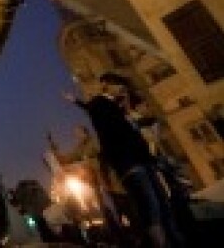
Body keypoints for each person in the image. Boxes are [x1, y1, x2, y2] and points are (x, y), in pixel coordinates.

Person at [64, 73, 184, 247]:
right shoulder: (100, 103)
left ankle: (175, 238)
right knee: (149, 203)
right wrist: (76, 101)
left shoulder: (119, 106)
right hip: (128, 162)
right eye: (118, 85)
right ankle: (160, 243)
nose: (122, 89)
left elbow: (137, 125)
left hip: (142, 159)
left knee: (162, 201)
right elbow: (92, 109)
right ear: (106, 85)